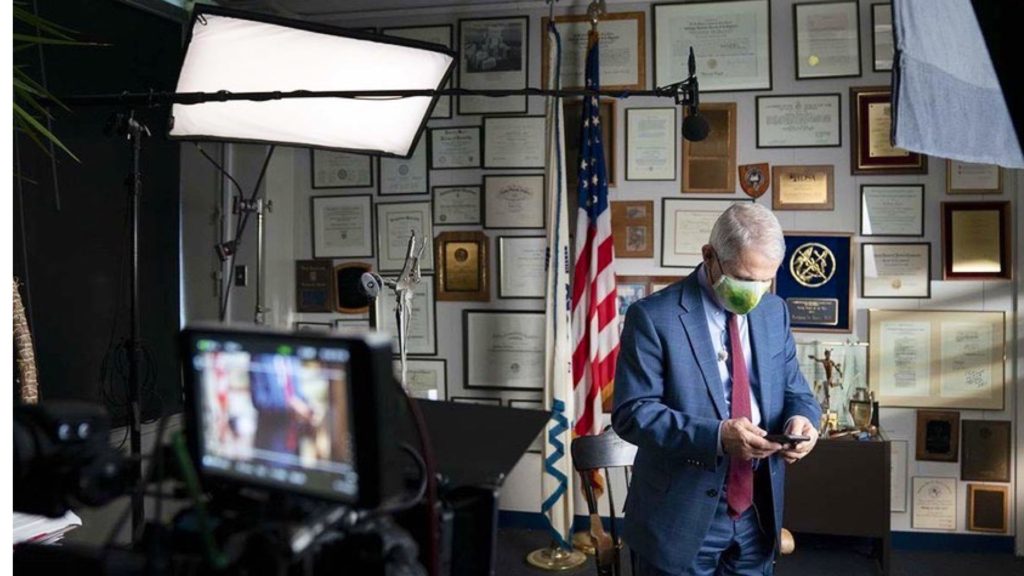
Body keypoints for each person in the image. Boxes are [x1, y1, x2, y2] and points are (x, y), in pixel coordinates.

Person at [613, 203, 822, 576]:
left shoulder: (774, 312)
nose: (754, 292)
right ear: (709, 256)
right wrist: (718, 436)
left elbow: (797, 392)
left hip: (757, 512)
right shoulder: (652, 316)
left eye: (765, 280)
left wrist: (802, 421)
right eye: (744, 278)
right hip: (678, 514)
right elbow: (633, 413)